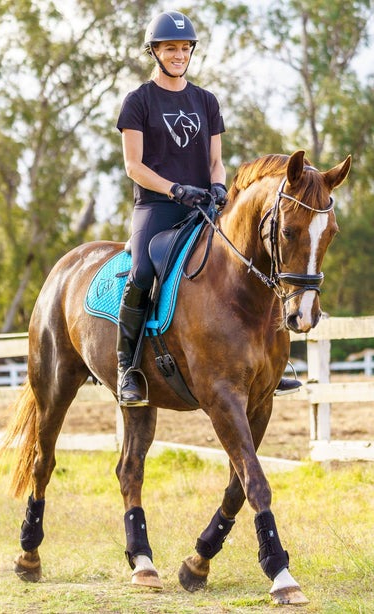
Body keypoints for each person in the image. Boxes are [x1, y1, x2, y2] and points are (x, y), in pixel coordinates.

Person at [116, 10, 300, 405]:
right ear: (155, 52)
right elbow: (134, 166)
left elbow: (216, 160)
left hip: (204, 203)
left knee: (253, 262)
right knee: (143, 271)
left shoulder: (205, 100)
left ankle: (272, 362)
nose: (179, 54)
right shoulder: (138, 102)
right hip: (157, 206)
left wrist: (217, 186)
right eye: (171, 48)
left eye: (184, 48)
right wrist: (174, 189)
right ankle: (127, 367)